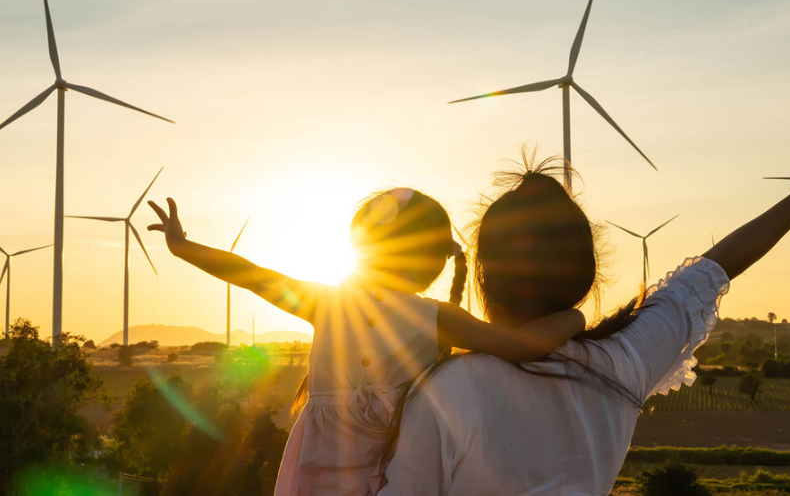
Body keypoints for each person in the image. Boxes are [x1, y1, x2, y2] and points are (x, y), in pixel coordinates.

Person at [379, 143, 790, 496]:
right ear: (587, 274)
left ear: (483, 275)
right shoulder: (622, 364)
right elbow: (712, 270)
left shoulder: (447, 391)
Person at [147, 187, 585, 496]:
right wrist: (574, 317)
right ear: (432, 260)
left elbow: (249, 275)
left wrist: (183, 247)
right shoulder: (435, 318)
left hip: (325, 471)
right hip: (386, 474)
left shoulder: (327, 302)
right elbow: (521, 345)